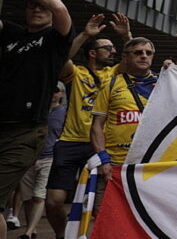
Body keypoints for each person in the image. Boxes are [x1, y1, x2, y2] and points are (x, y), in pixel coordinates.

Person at [1, 0, 74, 239]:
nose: (36, 8)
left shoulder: (56, 39)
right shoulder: (13, 34)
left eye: (41, 4)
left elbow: (59, 10)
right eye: (31, 3)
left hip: (25, 132)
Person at [45, 14, 127, 237]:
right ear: (92, 53)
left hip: (99, 144)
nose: (113, 51)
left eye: (113, 47)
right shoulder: (77, 73)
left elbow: (136, 58)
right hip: (70, 142)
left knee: (98, 204)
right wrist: (85, 34)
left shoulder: (114, 73)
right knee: (54, 201)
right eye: (107, 47)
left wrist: (126, 37)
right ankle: (62, 235)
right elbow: (61, 57)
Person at [90, 38, 159, 181]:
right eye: (138, 52)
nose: (144, 56)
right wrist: (103, 159)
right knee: (104, 204)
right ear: (125, 57)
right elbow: (97, 126)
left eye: (149, 53)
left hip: (152, 162)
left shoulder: (163, 84)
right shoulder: (111, 84)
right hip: (116, 163)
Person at [16, 83, 65, 239]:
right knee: (27, 197)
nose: (53, 94)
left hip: (50, 158)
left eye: (56, 90)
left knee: (39, 196)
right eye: (50, 90)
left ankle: (28, 233)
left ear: (62, 94)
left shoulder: (65, 113)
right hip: (30, 157)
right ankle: (33, 230)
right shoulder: (37, 111)